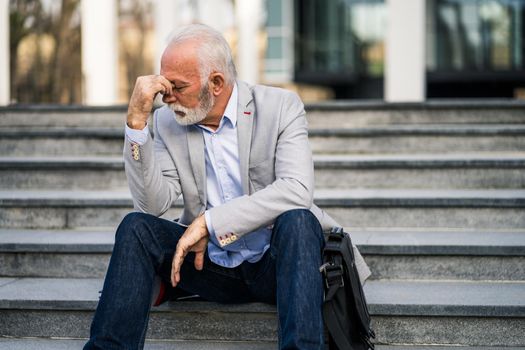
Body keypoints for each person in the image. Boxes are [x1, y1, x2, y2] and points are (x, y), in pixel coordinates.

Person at [84, 24, 370, 350]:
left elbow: (297, 188)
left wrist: (210, 222)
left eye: (177, 86)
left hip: (276, 266)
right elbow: (152, 205)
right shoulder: (166, 121)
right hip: (206, 266)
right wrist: (137, 124)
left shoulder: (279, 107)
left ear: (216, 83)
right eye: (164, 87)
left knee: (299, 220)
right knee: (135, 226)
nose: (167, 97)